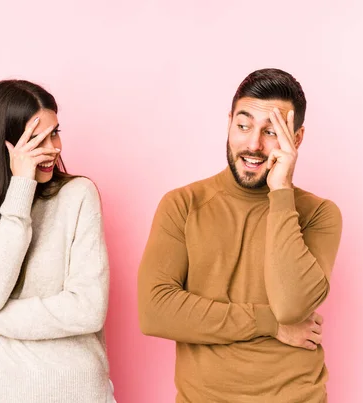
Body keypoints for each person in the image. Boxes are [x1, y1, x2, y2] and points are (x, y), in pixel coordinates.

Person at [137, 68, 342, 402]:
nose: (254, 144)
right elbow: (155, 310)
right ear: (229, 122)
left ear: (297, 139)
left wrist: (281, 192)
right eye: (243, 125)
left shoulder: (319, 214)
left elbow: (291, 307)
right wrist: (269, 324)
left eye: (272, 131)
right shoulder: (183, 204)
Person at [0, 79, 115, 403]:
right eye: (36, 140)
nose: (53, 148)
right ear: (2, 145)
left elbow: (87, 309)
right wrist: (21, 189)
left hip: (74, 392)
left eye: (55, 133)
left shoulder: (77, 196)